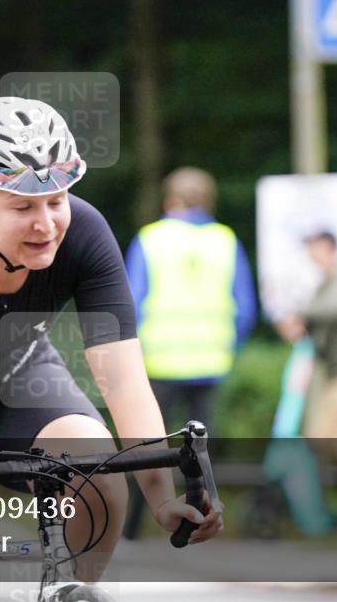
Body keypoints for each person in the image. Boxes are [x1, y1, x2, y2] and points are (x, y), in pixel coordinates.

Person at [0, 97, 221, 602]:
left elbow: (124, 380)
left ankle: (65, 594)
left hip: (15, 379)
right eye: (23, 206)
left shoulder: (86, 232)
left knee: (96, 474)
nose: (46, 224)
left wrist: (161, 499)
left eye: (56, 201)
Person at [121, 167, 256, 539]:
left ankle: (131, 529)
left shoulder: (150, 239)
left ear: (170, 201)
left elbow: (130, 304)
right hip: (211, 362)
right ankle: (202, 522)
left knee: (147, 446)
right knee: (200, 453)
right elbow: (245, 307)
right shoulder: (225, 241)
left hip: (159, 361)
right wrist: (228, 348)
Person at [275, 230, 337, 494]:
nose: (311, 255)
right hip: (332, 375)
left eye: (315, 248)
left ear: (329, 248)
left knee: (324, 435)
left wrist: (299, 315)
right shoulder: (326, 282)